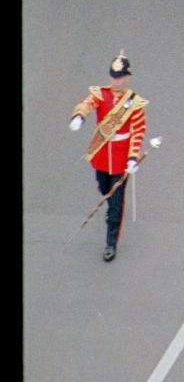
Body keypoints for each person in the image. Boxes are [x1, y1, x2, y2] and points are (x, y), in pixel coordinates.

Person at [69, 51, 148, 261]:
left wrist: (133, 157)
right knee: (103, 189)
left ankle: (111, 242)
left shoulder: (134, 103)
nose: (116, 80)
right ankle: (111, 210)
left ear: (127, 77)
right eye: (113, 76)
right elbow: (87, 104)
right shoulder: (100, 94)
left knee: (115, 201)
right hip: (102, 155)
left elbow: (138, 131)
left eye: (120, 76)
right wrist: (79, 116)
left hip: (122, 159)